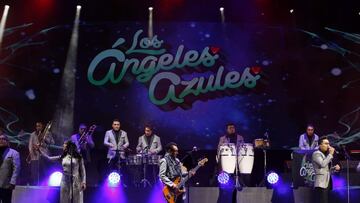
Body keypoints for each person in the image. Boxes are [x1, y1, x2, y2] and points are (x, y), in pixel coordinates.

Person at [312, 136, 341, 203]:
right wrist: (330, 154)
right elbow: (322, 164)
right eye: (326, 143)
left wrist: (334, 168)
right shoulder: (316, 154)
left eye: (328, 143)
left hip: (327, 182)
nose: (328, 145)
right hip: (321, 183)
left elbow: (326, 169)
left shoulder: (325, 155)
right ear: (320, 145)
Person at [103, 119, 129, 185]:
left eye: (118, 124)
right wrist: (109, 144)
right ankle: (110, 183)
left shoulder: (124, 133)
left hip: (121, 154)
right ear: (112, 125)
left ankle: (122, 183)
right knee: (110, 169)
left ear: (119, 125)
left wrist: (124, 146)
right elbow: (105, 142)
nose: (116, 126)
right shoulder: (108, 132)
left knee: (122, 169)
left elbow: (127, 142)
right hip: (111, 154)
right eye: (115, 124)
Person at [0, 134, 20, 203]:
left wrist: (13, 182)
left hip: (6, 184)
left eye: (3, 139)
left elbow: (16, 169)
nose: (1, 140)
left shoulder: (14, 153)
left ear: (7, 141)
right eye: (0, 139)